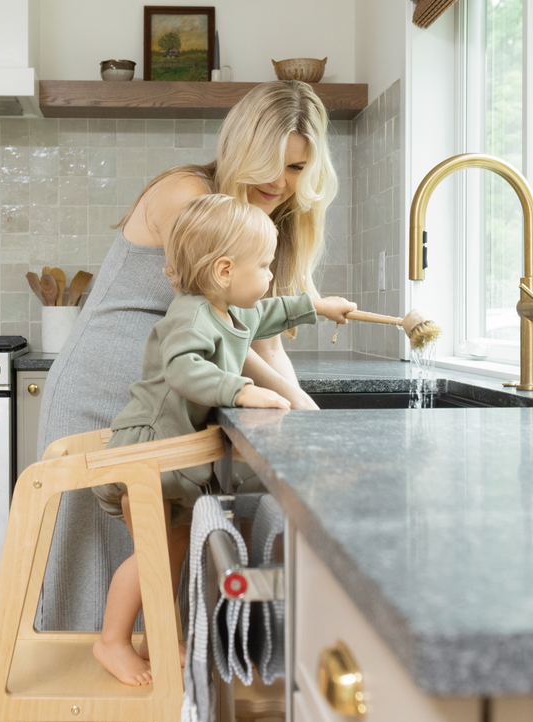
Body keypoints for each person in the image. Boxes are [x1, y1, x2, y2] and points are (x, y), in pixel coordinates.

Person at [37, 80, 339, 722]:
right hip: (103, 401)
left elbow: (264, 339)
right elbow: (239, 333)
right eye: (274, 163)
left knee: (162, 586)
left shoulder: (265, 224)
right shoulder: (188, 195)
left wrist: (302, 405)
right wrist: (292, 400)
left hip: (176, 412)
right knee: (79, 585)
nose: (283, 184)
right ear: (241, 142)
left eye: (301, 171)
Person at [91, 194, 355, 686]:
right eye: (265, 265)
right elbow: (184, 370)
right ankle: (111, 641)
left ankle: (157, 638)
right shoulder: (190, 316)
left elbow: (272, 312)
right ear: (225, 271)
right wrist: (243, 389)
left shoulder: (231, 312)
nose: (271, 275)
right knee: (154, 554)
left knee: (168, 552)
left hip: (170, 460)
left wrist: (318, 306)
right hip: (147, 453)